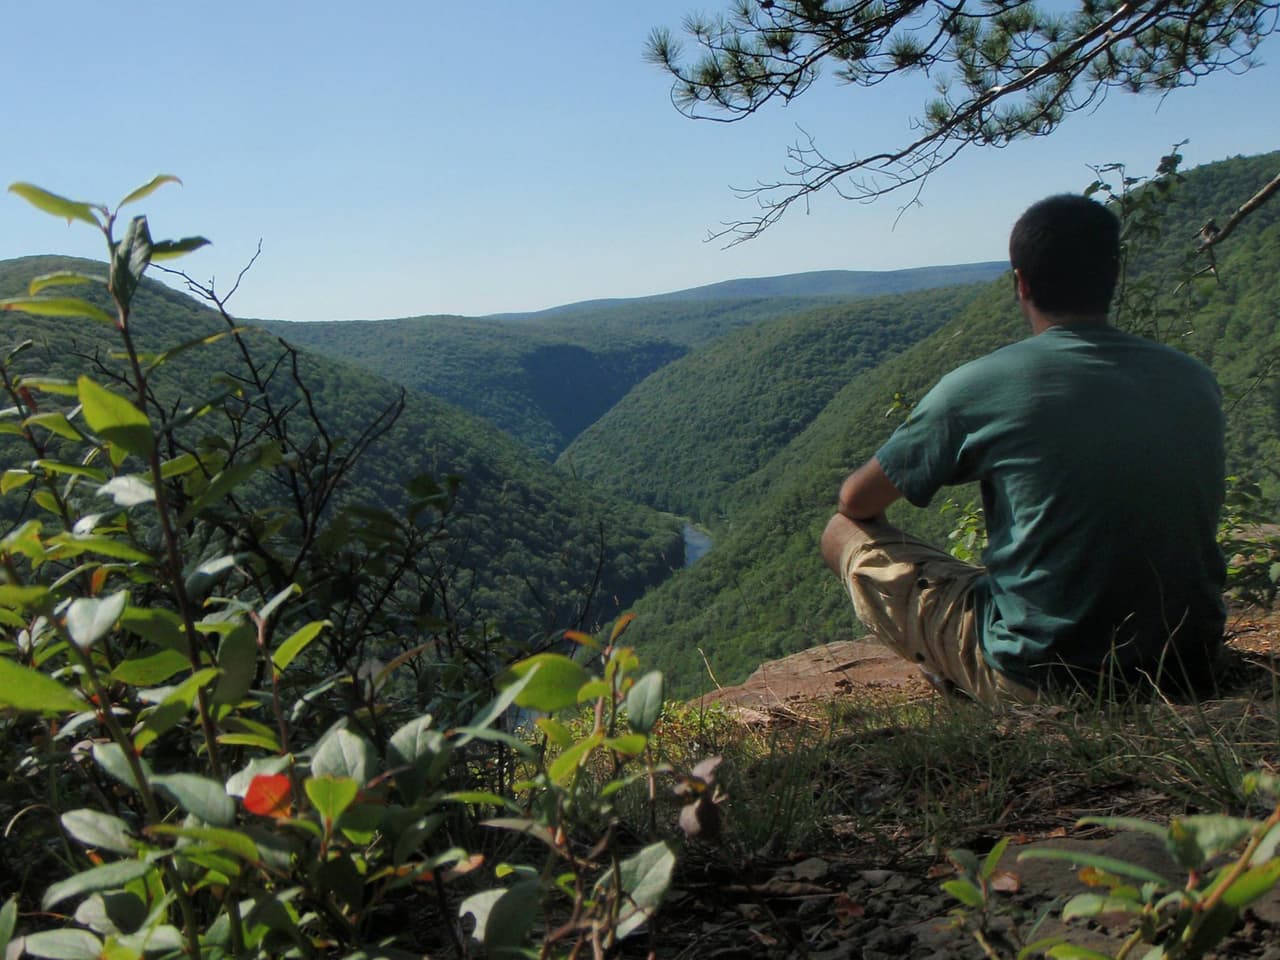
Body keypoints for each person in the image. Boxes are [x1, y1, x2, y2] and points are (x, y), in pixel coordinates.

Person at [820, 194, 1226, 703]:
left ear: (1022, 283)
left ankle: (959, 678)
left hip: (1044, 677)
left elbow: (857, 502)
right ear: (1114, 276)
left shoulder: (979, 386)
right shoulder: (1194, 379)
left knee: (842, 532)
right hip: (1189, 666)